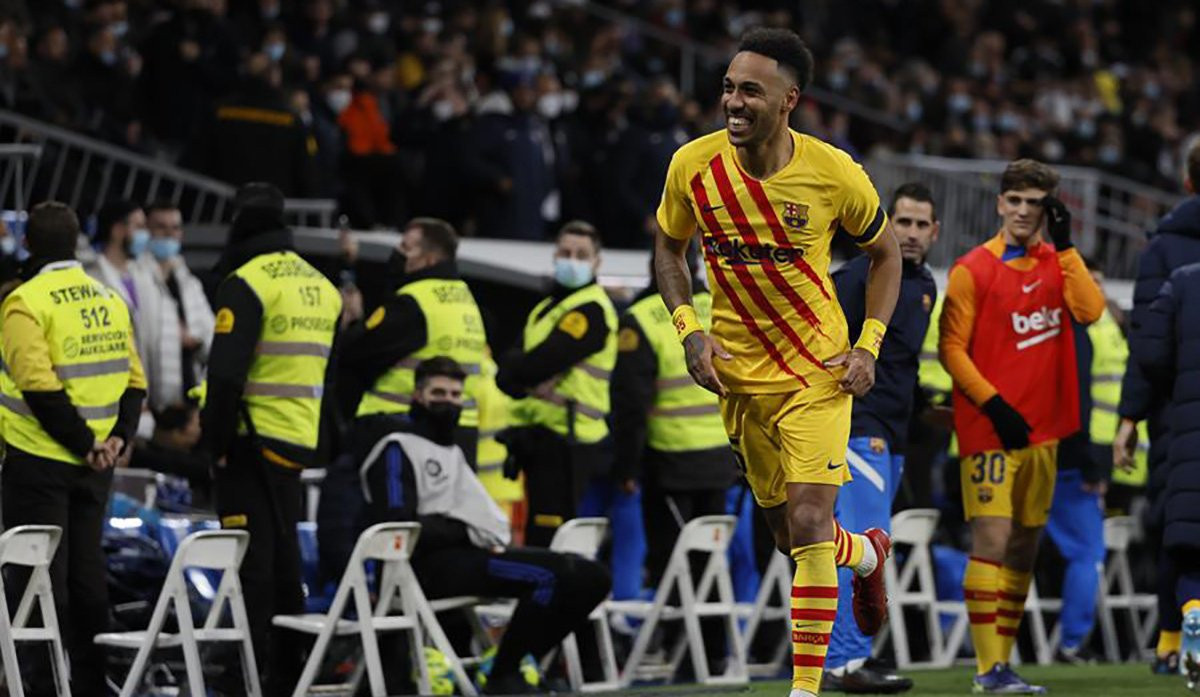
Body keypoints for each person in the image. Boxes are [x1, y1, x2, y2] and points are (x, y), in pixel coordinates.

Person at [653, 28, 903, 697]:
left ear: (789, 100)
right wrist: (689, 331)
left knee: (812, 519)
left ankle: (805, 688)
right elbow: (669, 250)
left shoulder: (834, 172)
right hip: (737, 376)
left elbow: (887, 255)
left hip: (817, 373)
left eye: (750, 91)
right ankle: (869, 551)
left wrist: (867, 344)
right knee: (792, 538)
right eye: (729, 87)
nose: (733, 101)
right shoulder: (693, 165)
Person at [938, 158, 1105, 693]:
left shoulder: (1058, 265)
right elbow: (951, 349)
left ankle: (1002, 664)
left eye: (1035, 204)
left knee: (1024, 547)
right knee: (992, 537)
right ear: (999, 203)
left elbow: (1092, 310)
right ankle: (987, 670)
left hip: (1044, 433)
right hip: (991, 429)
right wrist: (994, 405)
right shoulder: (971, 269)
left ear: (1047, 209)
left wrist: (1068, 243)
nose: (1023, 212)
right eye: (1016, 201)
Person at [357, 356, 611, 695]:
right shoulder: (396, 448)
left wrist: (464, 528)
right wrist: (464, 529)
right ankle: (505, 674)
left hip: (470, 554)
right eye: (438, 393)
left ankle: (508, 663)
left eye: (454, 394)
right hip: (425, 569)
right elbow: (399, 525)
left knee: (594, 577)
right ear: (418, 396)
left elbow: (461, 519)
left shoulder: (451, 450)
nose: (447, 401)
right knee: (548, 578)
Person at [200, 182, 342, 696]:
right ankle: (287, 674)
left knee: (251, 566)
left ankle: (244, 678)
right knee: (284, 565)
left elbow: (226, 377)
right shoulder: (320, 285)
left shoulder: (247, 281)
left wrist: (213, 442)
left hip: (248, 440)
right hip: (297, 439)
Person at [0, 201, 146, 697]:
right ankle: (90, 684)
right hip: (96, 466)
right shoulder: (108, 298)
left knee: (38, 585)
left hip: (40, 462)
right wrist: (114, 442)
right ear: (77, 241)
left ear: (28, 245)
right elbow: (135, 382)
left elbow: (39, 389)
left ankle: (40, 688)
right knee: (88, 580)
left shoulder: (25, 302)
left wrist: (85, 445)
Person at [825, 182, 940, 694]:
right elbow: (825, 350)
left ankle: (849, 657)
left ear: (935, 232)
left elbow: (901, 366)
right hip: (856, 429)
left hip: (893, 437)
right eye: (903, 222)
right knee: (864, 548)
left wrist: (924, 406)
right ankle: (845, 662)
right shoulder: (855, 277)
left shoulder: (925, 286)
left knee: (868, 547)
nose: (911, 233)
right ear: (884, 224)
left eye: (920, 225)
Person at [611, 243, 736, 641]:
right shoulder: (721, 307)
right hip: (723, 459)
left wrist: (627, 468)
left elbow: (631, 408)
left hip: (669, 464)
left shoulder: (642, 320)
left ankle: (681, 649)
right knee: (711, 559)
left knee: (671, 562)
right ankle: (713, 652)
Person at [1115, 139, 1200, 674]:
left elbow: (1147, 348)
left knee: (1181, 526)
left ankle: (1173, 637)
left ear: (1187, 181)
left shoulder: (1164, 252)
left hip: (1179, 412)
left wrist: (1131, 416)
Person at [497, 221, 617, 548]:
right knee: (539, 530)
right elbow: (508, 369)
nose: (571, 260)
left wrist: (520, 372)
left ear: (597, 263)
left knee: (551, 534)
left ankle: (555, 597)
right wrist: (520, 373)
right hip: (542, 434)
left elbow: (536, 364)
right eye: (565, 252)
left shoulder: (591, 310)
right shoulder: (546, 308)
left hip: (570, 437)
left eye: (581, 254)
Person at [342, 217, 487, 467]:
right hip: (460, 433)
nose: (398, 254)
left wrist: (352, 323)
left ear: (430, 259)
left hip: (403, 429)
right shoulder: (464, 297)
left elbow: (355, 352)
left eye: (407, 248)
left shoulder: (414, 303)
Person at [1047, 264, 1126, 665]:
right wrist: (1095, 463)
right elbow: (1084, 402)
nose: (1093, 288)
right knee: (1087, 552)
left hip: (1078, 457)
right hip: (1076, 460)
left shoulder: (1093, 326)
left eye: (1097, 280)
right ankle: (1072, 643)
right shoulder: (1084, 329)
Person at [1133, 259, 1200, 688]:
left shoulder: (1182, 280)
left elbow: (1151, 354)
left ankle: (1193, 611)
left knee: (1190, 548)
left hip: (1186, 433)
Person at [143, 200, 214, 408]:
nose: (169, 234)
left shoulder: (189, 283)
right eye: (161, 227)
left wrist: (196, 340)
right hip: (151, 399)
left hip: (188, 393)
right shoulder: (138, 280)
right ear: (146, 231)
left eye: (175, 228)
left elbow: (211, 335)